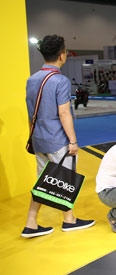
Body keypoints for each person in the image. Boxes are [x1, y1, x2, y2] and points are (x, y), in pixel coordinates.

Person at [23, 35, 95, 238]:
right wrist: (73, 141)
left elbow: (31, 113)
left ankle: (31, 223)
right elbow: (64, 113)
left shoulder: (32, 79)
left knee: (43, 181)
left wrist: (32, 137)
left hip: (39, 140)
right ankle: (69, 220)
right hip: (58, 140)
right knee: (66, 180)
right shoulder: (60, 80)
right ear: (62, 55)